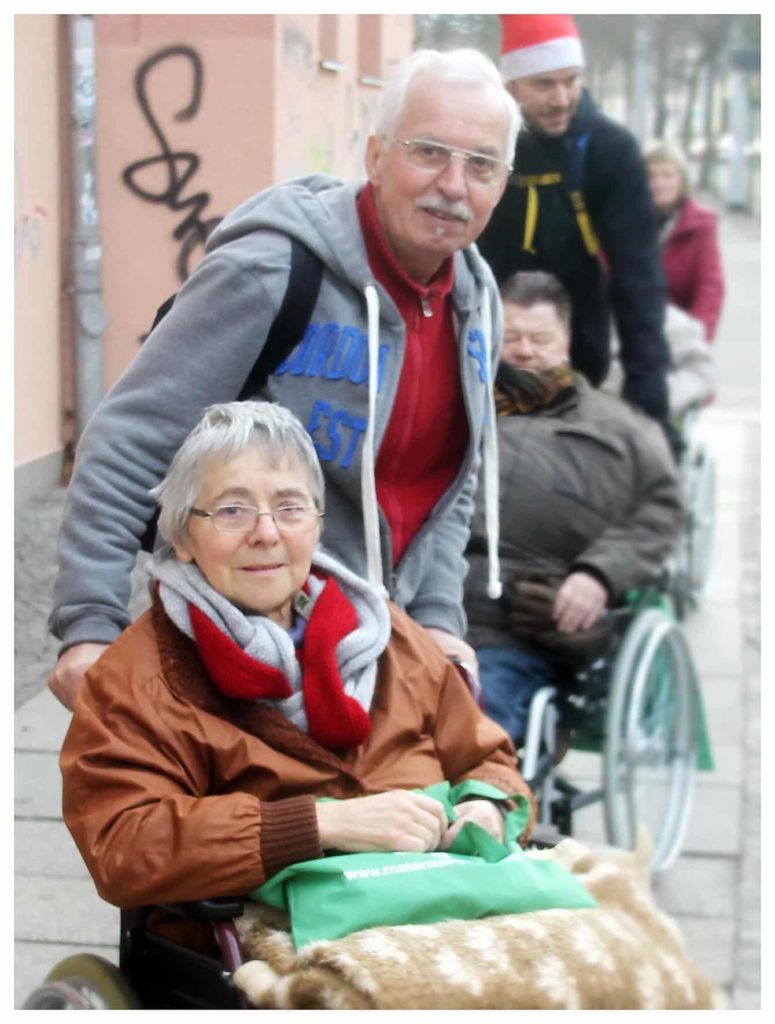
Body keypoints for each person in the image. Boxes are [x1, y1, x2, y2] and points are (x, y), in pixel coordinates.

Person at [48, 48, 520, 710]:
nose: (452, 183)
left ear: (502, 182)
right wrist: (88, 628)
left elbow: (451, 484)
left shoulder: (477, 301)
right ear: (376, 155)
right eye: (428, 152)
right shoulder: (270, 271)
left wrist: (438, 619)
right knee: (239, 820)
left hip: (373, 650)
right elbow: (128, 439)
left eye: (481, 164)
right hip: (235, 644)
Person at [60, 401, 534, 908]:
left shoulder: (387, 632)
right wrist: (323, 822)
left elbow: (486, 759)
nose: (266, 533)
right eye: (232, 510)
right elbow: (126, 847)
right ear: (181, 536)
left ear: (316, 523)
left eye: (290, 507)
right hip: (274, 937)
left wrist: (486, 806)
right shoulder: (137, 677)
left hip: (447, 899)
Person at [463, 272, 684, 744]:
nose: (524, 351)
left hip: (524, 621)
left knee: (471, 720)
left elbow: (661, 511)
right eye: (513, 337)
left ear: (566, 340)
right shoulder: (458, 407)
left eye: (539, 338)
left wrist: (599, 575)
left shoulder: (618, 428)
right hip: (427, 604)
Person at [476, 14, 671, 429]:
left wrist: (648, 393)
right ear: (510, 86)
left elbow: (638, 280)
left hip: (580, 354)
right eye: (544, 84)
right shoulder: (483, 146)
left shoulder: (610, 152)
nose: (562, 98)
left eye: (571, 80)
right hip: (485, 351)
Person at [645, 140, 725, 342]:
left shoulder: (702, 224)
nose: (659, 183)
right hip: (633, 334)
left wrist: (695, 338)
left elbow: (709, 286)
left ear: (682, 180)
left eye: (667, 175)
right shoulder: (624, 222)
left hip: (683, 333)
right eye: (651, 176)